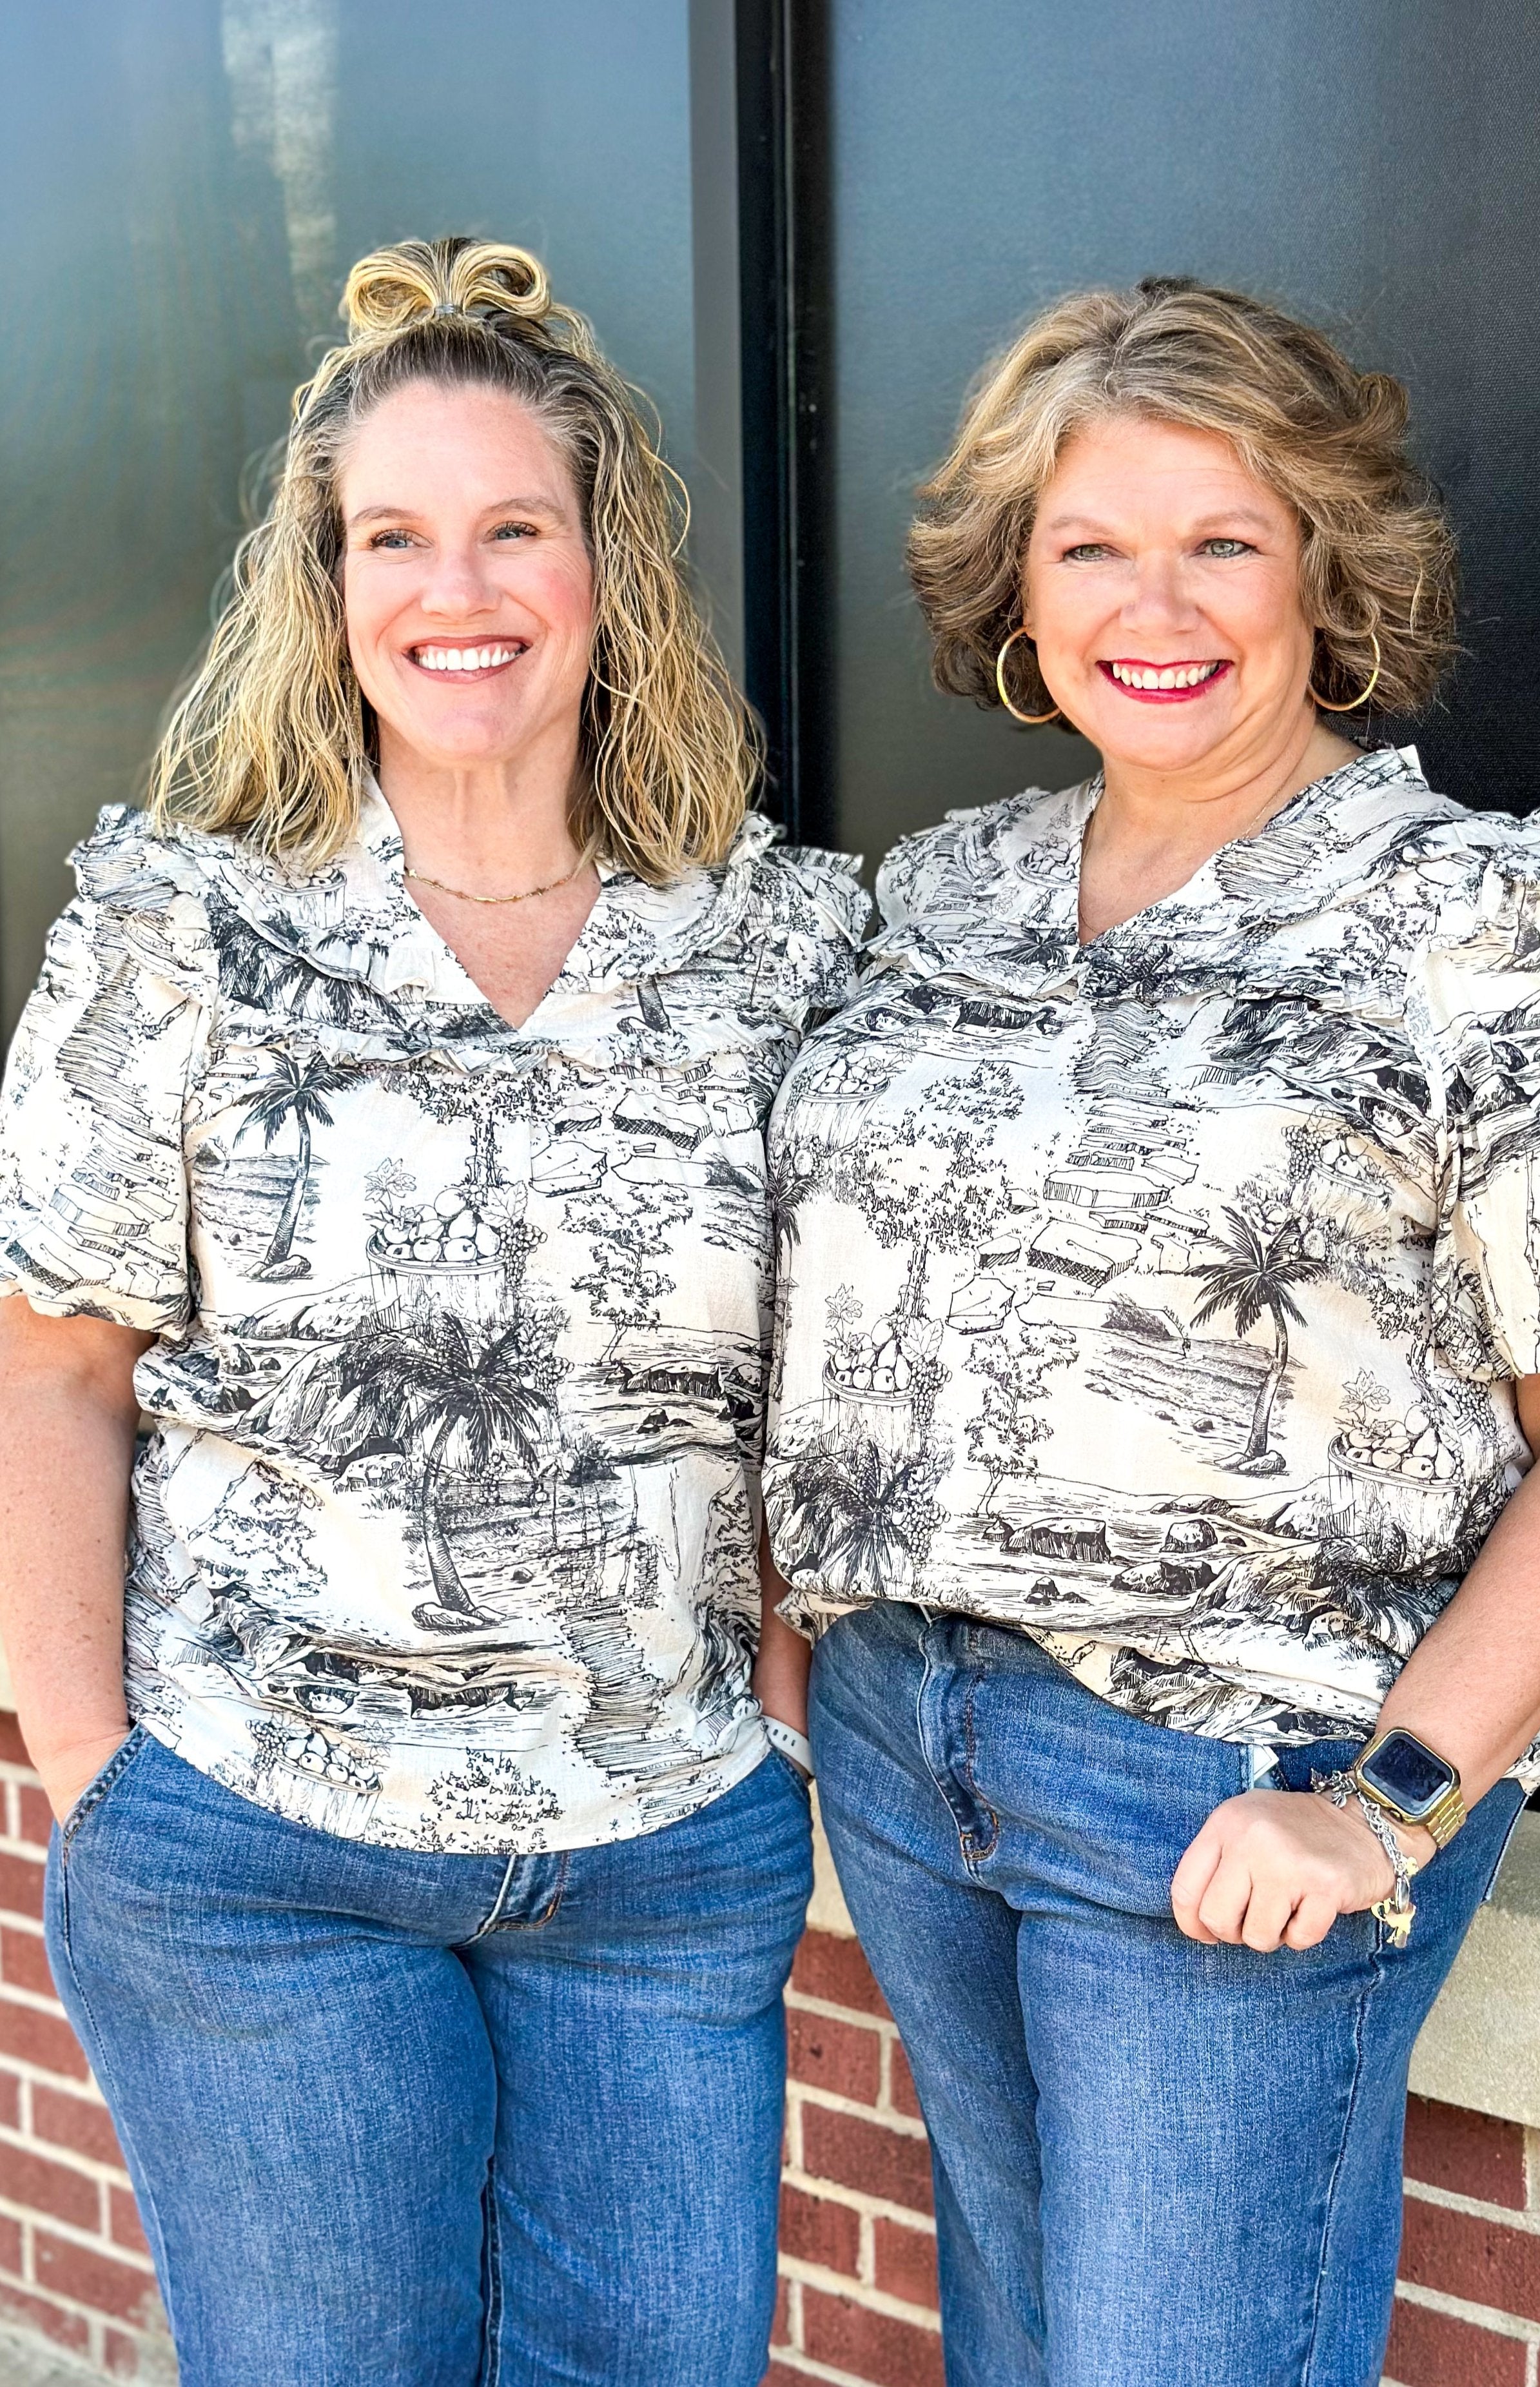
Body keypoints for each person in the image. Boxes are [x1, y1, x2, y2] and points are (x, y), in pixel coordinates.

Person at [762, 277, 1540, 2387]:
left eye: (1222, 539)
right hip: (914, 1751)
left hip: (1233, 1782)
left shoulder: (1488, 928)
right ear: (1016, 586)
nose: (1150, 602)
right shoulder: (943, 896)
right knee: (1012, 2340)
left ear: (1322, 571)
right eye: (1089, 544)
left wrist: (1381, 1803)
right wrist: (796, 1620)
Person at [0, 237, 856, 2387]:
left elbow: (824, 1380)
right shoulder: (181, 929)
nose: (453, 588)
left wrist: (763, 1718)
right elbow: (53, 1366)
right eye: (394, 533)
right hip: (256, 1841)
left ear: (599, 566)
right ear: (326, 578)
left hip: (660, 1854)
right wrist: (91, 1769)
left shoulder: (772, 944)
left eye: (509, 528)